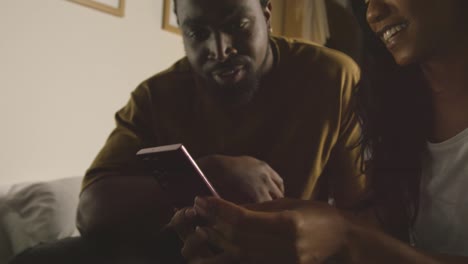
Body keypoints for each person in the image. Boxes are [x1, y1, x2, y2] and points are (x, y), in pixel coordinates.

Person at [10, 0, 367, 263]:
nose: (219, 49)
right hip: (175, 251)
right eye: (197, 33)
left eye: (238, 25)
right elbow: (90, 213)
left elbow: (363, 212)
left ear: (267, 16)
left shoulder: (331, 78)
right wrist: (208, 172)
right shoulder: (155, 96)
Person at [174, 0, 468, 263]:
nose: (373, 12)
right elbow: (388, 234)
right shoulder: (388, 113)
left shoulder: (331, 75)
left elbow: (364, 243)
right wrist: (269, 234)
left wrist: (348, 241)